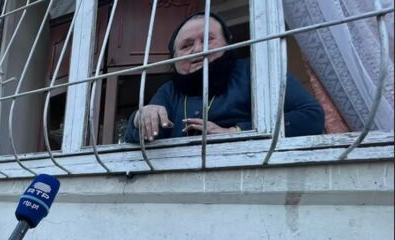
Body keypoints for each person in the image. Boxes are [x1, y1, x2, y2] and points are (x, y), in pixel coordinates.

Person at [124, 12, 324, 143]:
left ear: (228, 44)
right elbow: (137, 138)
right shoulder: (169, 91)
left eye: (208, 39)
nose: (198, 49)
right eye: (186, 45)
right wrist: (140, 119)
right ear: (174, 58)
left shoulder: (256, 71)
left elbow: (312, 117)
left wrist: (235, 132)